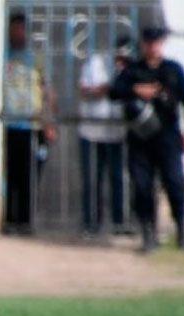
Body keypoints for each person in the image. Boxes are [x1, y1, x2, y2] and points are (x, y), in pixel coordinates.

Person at [111, 26, 184, 251]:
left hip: (168, 136)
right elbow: (114, 91)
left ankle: (182, 232)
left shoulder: (173, 69)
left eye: (156, 42)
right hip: (140, 138)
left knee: (175, 182)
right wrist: (137, 90)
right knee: (142, 186)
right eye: (148, 42)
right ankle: (148, 235)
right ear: (143, 44)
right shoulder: (132, 70)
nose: (152, 47)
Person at [2, 12, 56, 234]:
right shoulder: (1, 55)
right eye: (15, 28)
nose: (18, 33)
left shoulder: (36, 58)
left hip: (31, 125)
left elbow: (48, 92)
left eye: (22, 29)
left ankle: (25, 222)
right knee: (9, 176)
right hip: (7, 124)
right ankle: (8, 220)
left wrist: (48, 122)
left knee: (28, 177)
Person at [77, 37, 130, 235]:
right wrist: (106, 88)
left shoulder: (131, 68)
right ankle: (91, 223)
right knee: (92, 179)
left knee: (118, 178)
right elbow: (84, 90)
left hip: (117, 132)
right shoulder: (95, 63)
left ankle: (119, 223)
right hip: (91, 131)